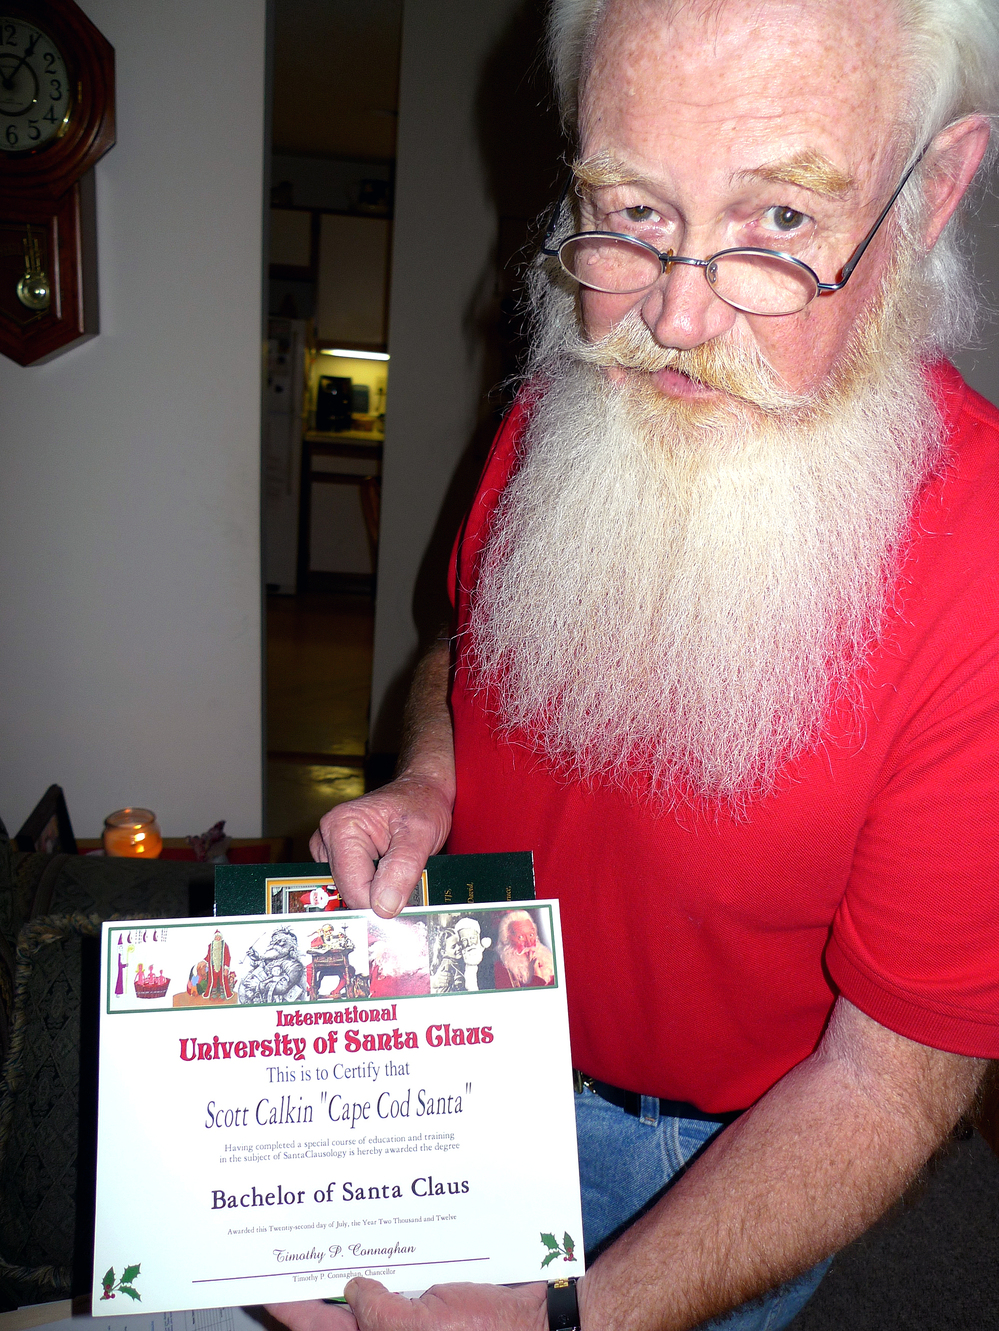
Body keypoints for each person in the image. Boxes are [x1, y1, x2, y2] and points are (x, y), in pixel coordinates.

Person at [274, 1, 999, 1329]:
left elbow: (891, 1078)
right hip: (453, 1040)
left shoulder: (983, 567)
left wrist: (572, 1316)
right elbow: (460, 646)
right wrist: (431, 781)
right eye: (628, 210)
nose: (669, 316)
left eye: (779, 220)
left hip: (710, 1158)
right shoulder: (569, 398)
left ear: (932, 188)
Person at [493, 909, 555, 988]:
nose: (529, 944)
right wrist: (537, 977)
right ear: (507, 940)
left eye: (531, 935)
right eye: (520, 937)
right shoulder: (501, 970)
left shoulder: (549, 958)